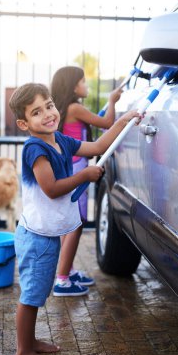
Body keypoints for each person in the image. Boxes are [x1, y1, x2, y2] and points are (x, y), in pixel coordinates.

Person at [8, 82, 141, 355]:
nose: (47, 114)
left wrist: (122, 120)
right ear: (23, 123)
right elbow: (52, 189)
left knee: (39, 292)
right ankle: (23, 352)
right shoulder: (36, 149)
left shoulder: (60, 140)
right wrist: (85, 176)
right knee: (31, 297)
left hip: (46, 235)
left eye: (50, 105)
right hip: (36, 238)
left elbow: (96, 147)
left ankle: (30, 341)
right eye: (36, 112)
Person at [50, 65, 122, 296]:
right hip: (77, 169)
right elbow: (108, 122)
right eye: (83, 81)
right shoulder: (75, 108)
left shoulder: (68, 108)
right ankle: (62, 279)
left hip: (70, 168)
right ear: (73, 86)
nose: (86, 85)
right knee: (76, 225)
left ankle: (67, 271)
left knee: (71, 224)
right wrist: (112, 100)